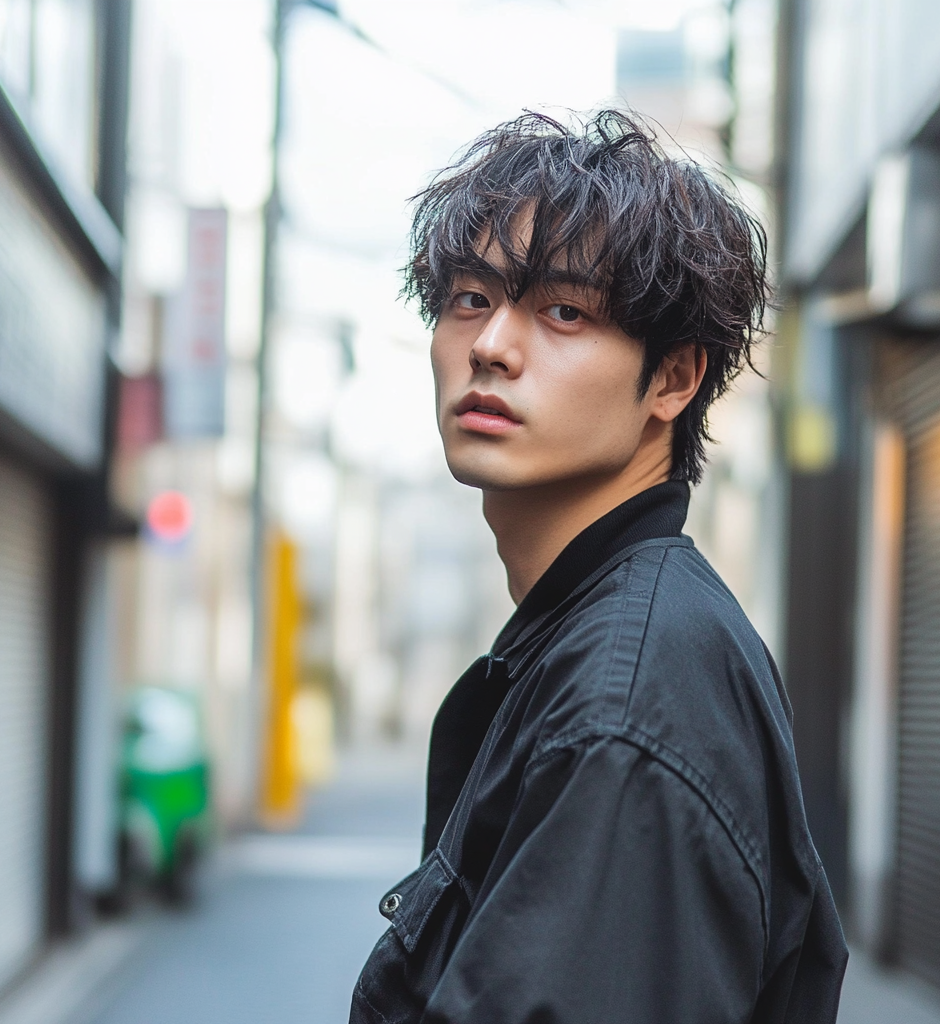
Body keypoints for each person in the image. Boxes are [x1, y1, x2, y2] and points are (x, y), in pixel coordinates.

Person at [349, 110, 847, 1024]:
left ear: (674, 379)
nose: (492, 345)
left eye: (564, 312)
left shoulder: (624, 700)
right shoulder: (603, 641)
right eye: (469, 298)